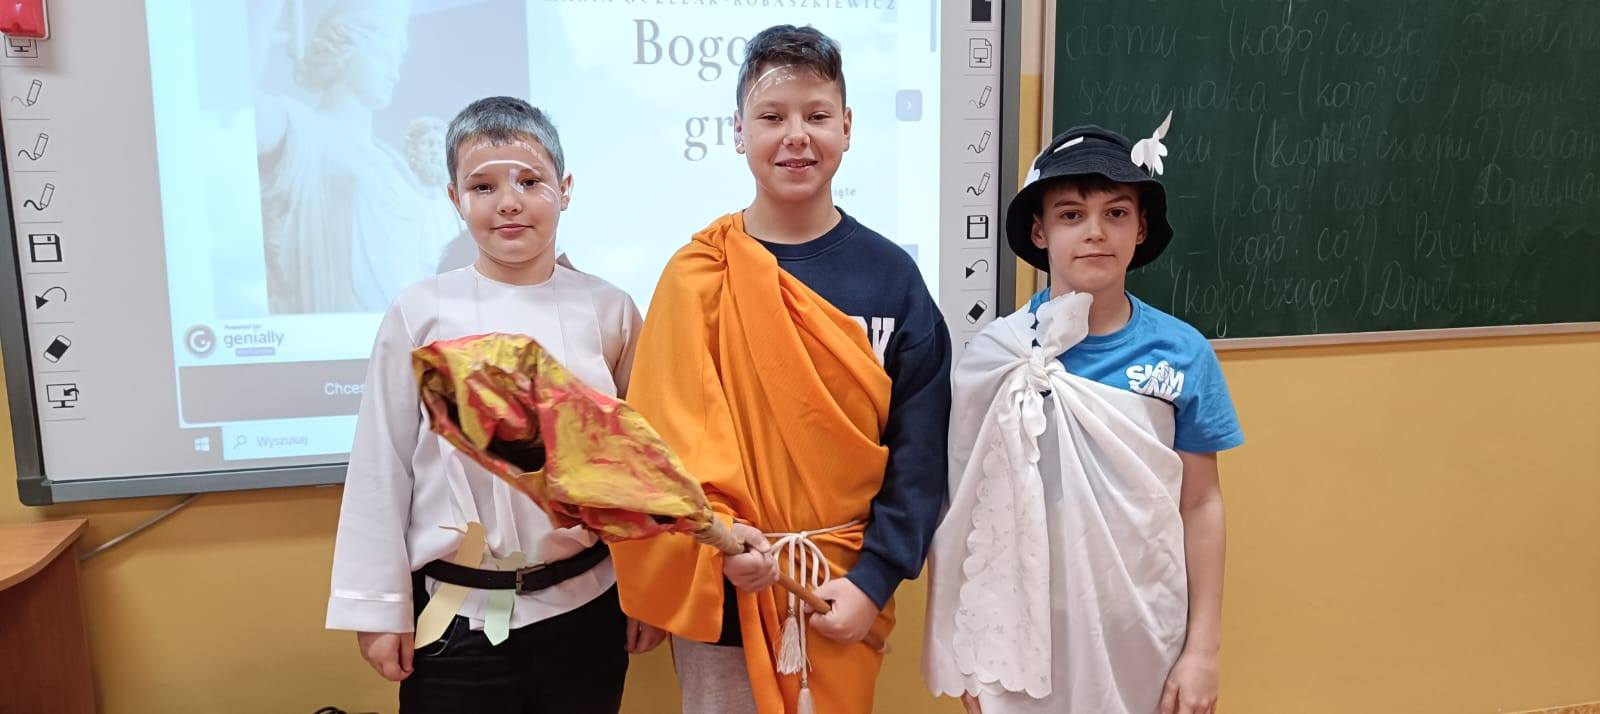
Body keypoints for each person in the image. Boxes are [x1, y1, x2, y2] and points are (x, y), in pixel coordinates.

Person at [609, 23, 952, 714]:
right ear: (738, 132)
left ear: (847, 128)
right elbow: (666, 447)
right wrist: (719, 545)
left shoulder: (893, 278)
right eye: (772, 117)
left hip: (845, 590)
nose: (796, 135)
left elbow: (920, 452)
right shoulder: (698, 276)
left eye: (816, 116)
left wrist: (875, 579)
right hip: (727, 585)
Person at [327, 96, 663, 713]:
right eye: (483, 186)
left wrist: (648, 587)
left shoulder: (608, 309)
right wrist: (379, 608)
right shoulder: (420, 311)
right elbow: (382, 464)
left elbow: (638, 471)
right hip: (456, 621)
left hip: (586, 610)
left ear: (565, 190)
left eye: (530, 181)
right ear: (455, 199)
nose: (508, 201)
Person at [923, 119, 1242, 714]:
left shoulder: (1182, 353)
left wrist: (1203, 650)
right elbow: (964, 507)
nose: (1095, 232)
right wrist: (973, 654)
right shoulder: (998, 356)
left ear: (1140, 227)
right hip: (1024, 645)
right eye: (1071, 214)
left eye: (1116, 213)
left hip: (1145, 633)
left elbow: (1200, 503)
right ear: (1040, 230)